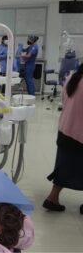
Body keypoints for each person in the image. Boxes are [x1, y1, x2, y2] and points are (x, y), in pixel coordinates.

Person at [44, 64, 83, 212]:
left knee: (64, 165)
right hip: (80, 134)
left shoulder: (72, 77)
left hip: (65, 130)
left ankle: (52, 198)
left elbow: (65, 102)